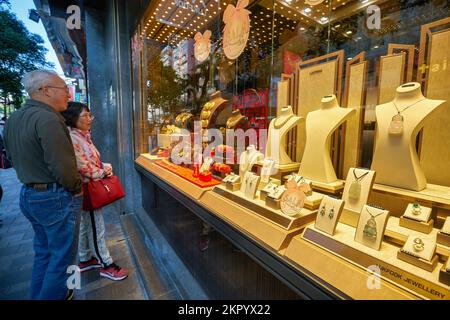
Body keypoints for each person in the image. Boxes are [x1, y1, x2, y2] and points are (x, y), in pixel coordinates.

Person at [3, 70, 83, 300]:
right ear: (45, 90)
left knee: (45, 253)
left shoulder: (15, 118)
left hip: (29, 194)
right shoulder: (49, 119)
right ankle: (67, 292)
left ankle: (53, 293)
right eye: (63, 89)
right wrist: (76, 187)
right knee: (65, 257)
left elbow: (10, 156)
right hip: (55, 196)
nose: (68, 94)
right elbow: (63, 166)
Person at [61, 102, 128, 281]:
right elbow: (83, 167)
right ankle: (106, 264)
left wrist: (103, 167)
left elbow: (90, 161)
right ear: (73, 118)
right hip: (86, 187)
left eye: (90, 115)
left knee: (85, 224)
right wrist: (103, 171)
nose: (90, 119)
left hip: (85, 187)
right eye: (86, 115)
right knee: (96, 226)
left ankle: (84, 258)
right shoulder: (73, 138)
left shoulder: (83, 136)